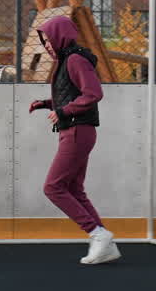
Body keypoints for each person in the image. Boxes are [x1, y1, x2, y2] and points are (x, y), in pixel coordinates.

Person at [28, 16, 119, 265]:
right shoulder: (66, 59)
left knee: (53, 187)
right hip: (75, 130)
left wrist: (62, 111)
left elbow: (93, 93)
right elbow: (73, 94)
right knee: (74, 189)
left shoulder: (76, 59)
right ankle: (105, 244)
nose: (46, 44)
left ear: (61, 35)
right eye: (43, 40)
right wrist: (47, 104)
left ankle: (97, 233)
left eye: (48, 39)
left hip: (78, 130)